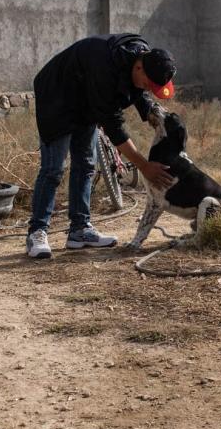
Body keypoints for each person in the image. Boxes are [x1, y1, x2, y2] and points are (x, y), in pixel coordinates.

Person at [26, 33, 177, 259]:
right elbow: (113, 127)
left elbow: (137, 91)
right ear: (139, 69)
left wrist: (149, 113)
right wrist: (144, 166)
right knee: (53, 169)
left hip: (85, 101)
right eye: (147, 84)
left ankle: (80, 230)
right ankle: (37, 232)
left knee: (86, 164)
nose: (146, 89)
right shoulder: (104, 68)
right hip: (57, 99)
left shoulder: (142, 57)